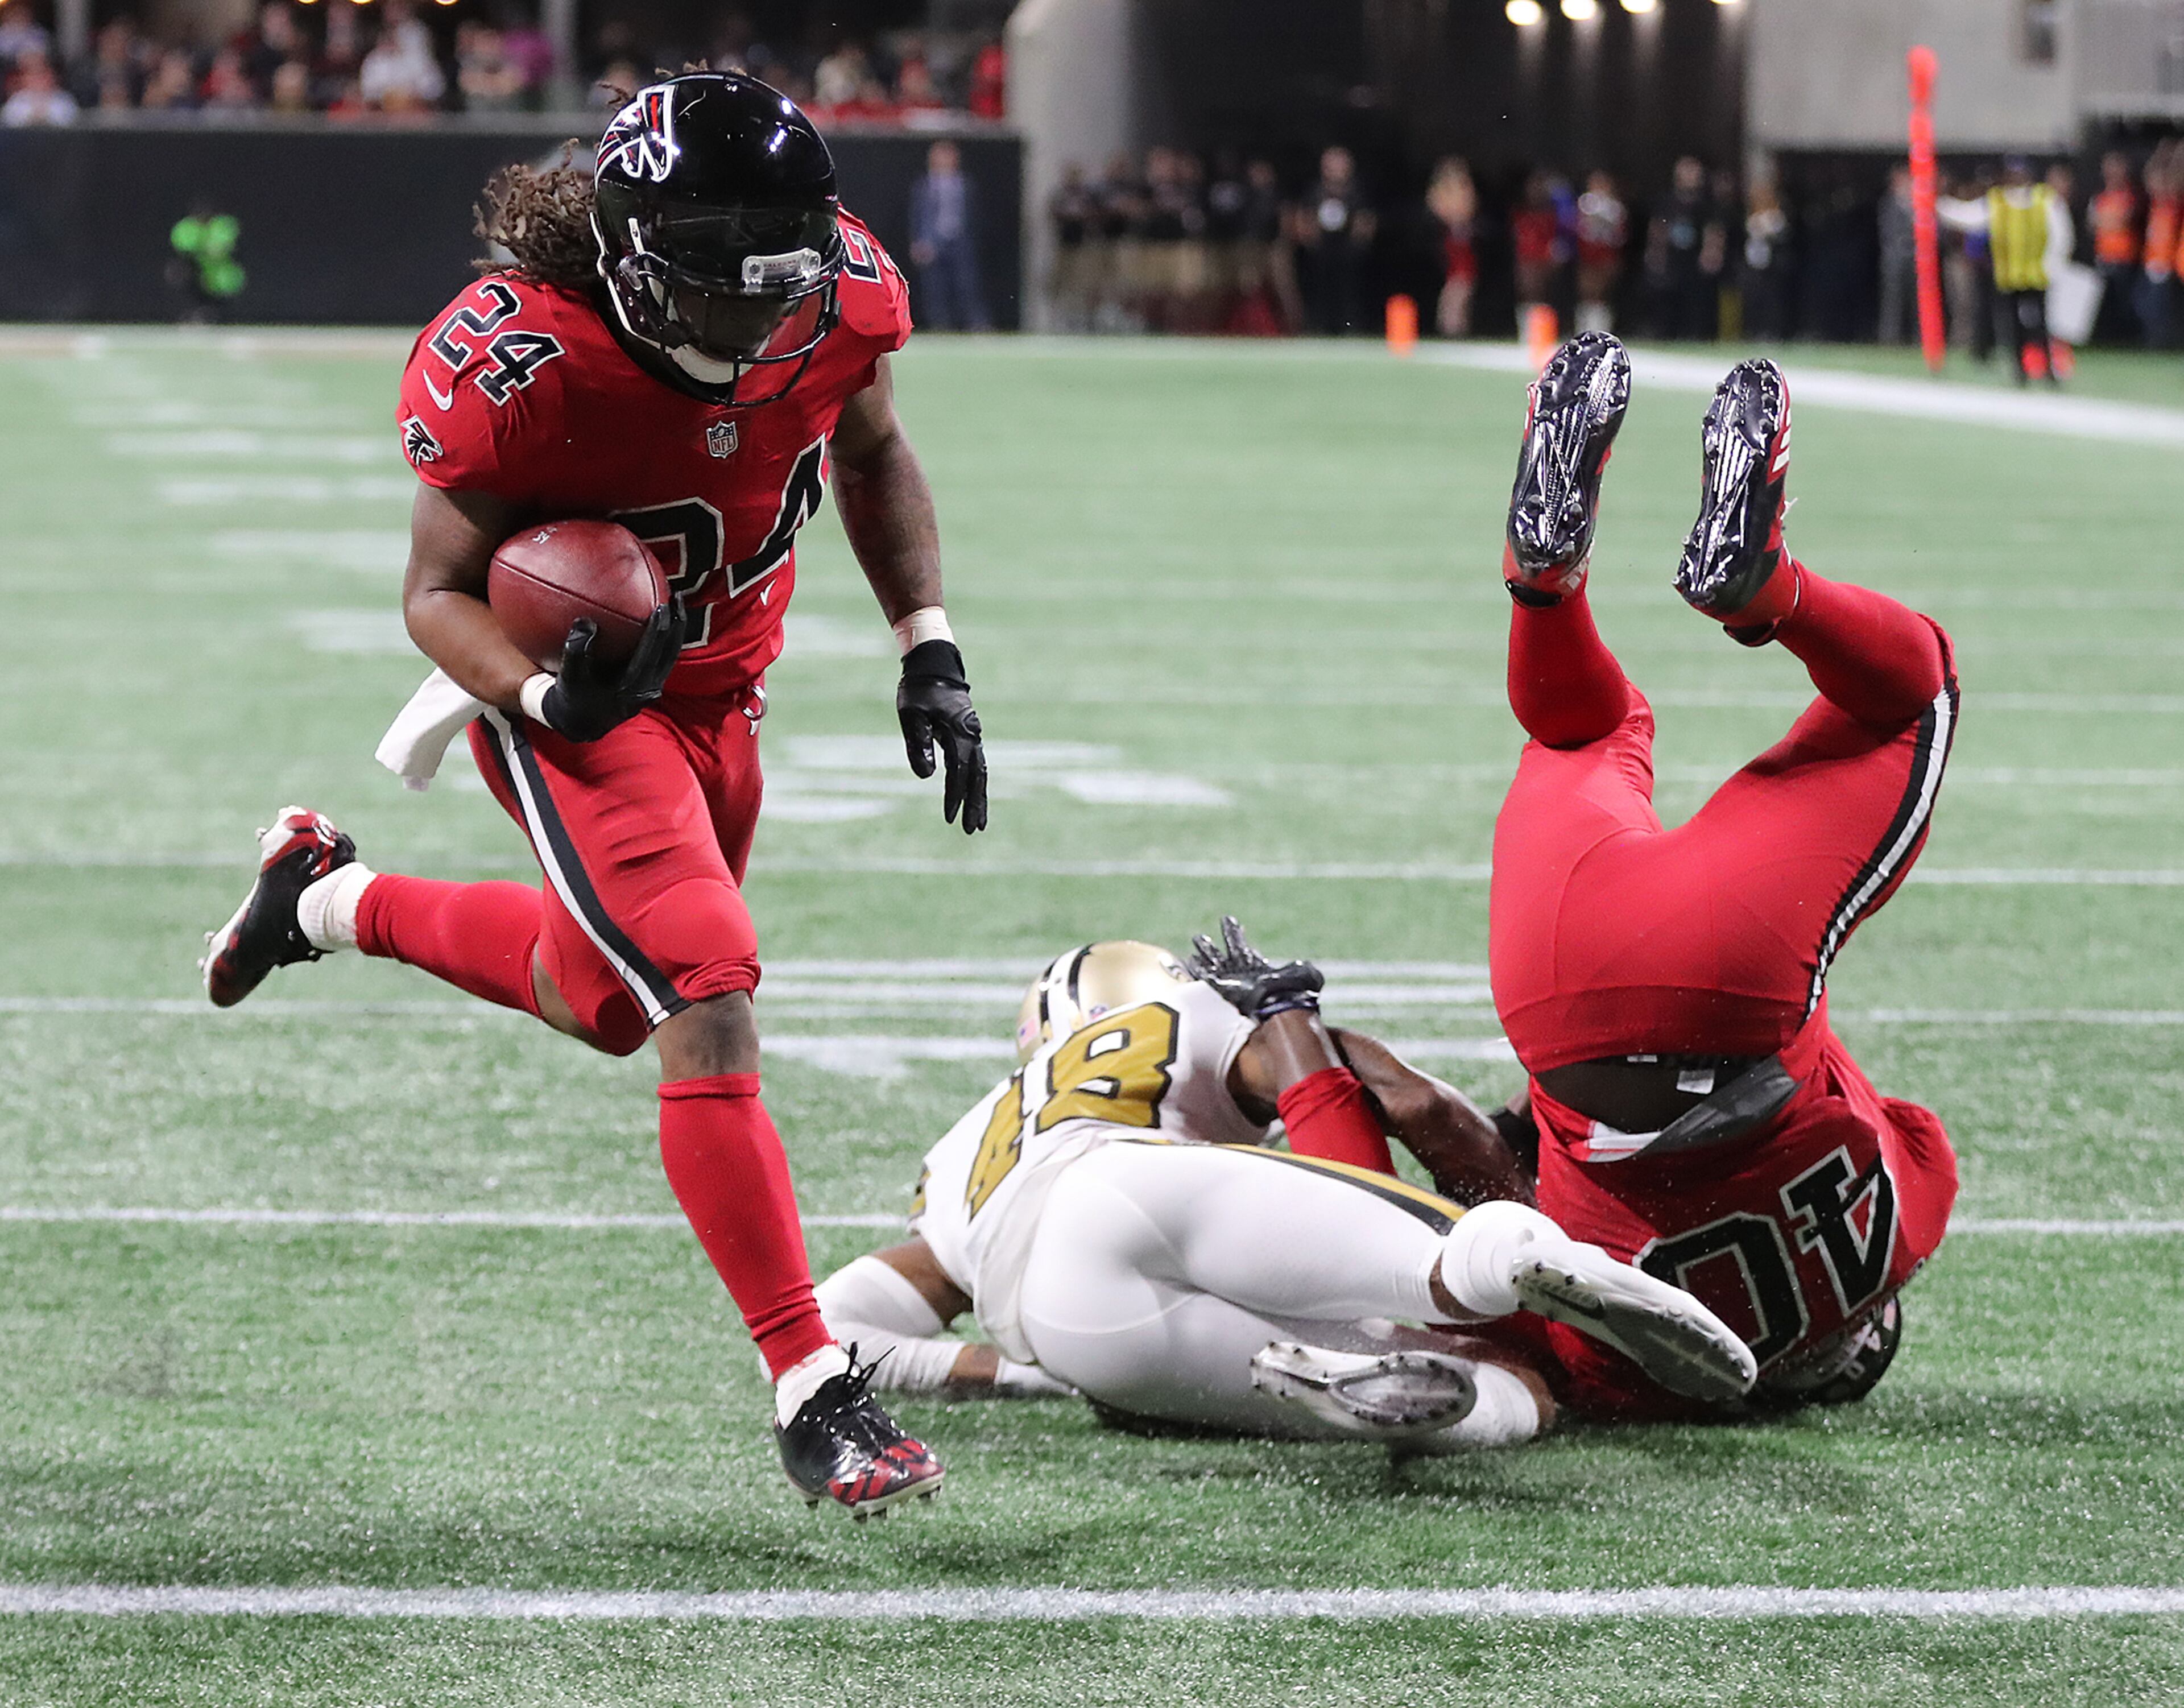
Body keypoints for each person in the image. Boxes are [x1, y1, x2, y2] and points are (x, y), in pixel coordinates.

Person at [198, 73, 987, 1517]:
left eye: (782, 283)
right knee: (706, 990)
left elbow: (870, 453)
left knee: (607, 999)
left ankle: (324, 899)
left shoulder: (836, 299)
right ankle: (814, 1384)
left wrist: (922, 643)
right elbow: (435, 594)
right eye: (727, 290)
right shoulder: (523, 368)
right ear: (635, 262)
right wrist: (547, 699)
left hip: (722, 695)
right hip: (565, 701)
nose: (766, 324)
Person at [1491, 332, 1960, 1419]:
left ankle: (1767, 589)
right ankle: (1539, 584)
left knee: (1912, 696)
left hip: (1737, 982)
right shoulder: (1619, 1371)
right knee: (1572, 742)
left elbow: (1899, 1117)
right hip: (1554, 998)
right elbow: (1481, 1201)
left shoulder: (1898, 1232)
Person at [812, 935, 1754, 1448]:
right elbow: (1417, 1103)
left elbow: (836, 1325)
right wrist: (1498, 1186)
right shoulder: (1194, 1004)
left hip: (1067, 1322)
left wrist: (1017, 1373)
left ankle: (1339, 1374)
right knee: (1453, 1289)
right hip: (1137, 1187)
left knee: (1478, 1399)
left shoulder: (961, 1149)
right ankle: (1513, 1256)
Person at [1939, 157, 2059, 384]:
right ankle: (2020, 370)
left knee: (2041, 324)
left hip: (2037, 272)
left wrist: (2055, 265)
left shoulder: (2044, 199)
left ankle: (2047, 369)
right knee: (2014, 327)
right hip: (2011, 274)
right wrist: (1938, 206)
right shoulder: (1999, 201)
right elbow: (1969, 216)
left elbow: (2059, 234)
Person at [909, 139, 990, 332]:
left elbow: (973, 215)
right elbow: (917, 216)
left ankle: (976, 324)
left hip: (959, 242)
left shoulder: (964, 184)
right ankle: (940, 326)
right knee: (935, 289)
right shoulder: (924, 186)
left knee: (966, 285)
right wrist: (919, 242)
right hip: (932, 243)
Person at [2087, 151, 2141, 346]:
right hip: (2104, 257)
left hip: (2124, 259)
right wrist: (2110, 221)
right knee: (2104, 306)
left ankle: (2127, 341)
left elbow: (2124, 221)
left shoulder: (2130, 195)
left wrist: (2106, 221)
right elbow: (2093, 224)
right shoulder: (2100, 197)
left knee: (2124, 304)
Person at [1426, 156, 1479, 338]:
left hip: (1463, 242)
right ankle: (1450, 326)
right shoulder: (1440, 191)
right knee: (1457, 285)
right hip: (1452, 241)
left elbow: (1470, 209)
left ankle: (1458, 325)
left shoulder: (1465, 189)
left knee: (1464, 285)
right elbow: (1439, 211)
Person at [1573, 171, 1625, 336]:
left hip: (1607, 255)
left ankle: (1601, 332)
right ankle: (1584, 331)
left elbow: (1619, 234)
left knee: (1603, 294)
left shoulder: (1615, 207)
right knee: (1587, 293)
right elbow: (1580, 228)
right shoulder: (1586, 202)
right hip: (1588, 254)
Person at [1876, 164, 1917, 345]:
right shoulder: (1888, 204)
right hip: (1895, 259)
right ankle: (1890, 338)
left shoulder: (1915, 204)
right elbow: (1887, 230)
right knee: (1893, 302)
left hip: (1913, 259)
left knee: (1915, 302)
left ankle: (1916, 338)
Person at [0, 49, 76, 125]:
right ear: (24, 79)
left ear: (51, 76)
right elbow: (10, 124)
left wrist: (44, 116)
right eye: (32, 75)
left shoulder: (64, 101)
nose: (38, 80)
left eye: (42, 75)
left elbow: (69, 123)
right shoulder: (16, 102)